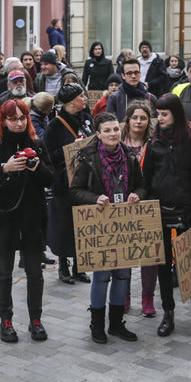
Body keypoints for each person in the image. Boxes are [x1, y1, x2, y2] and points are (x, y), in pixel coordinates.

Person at [71, 112, 146, 344]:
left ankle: (116, 324)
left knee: (123, 275)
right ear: (98, 134)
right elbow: (74, 191)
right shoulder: (87, 158)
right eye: (107, 130)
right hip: (101, 225)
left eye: (115, 129)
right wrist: (95, 199)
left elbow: (143, 186)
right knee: (102, 276)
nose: (112, 134)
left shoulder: (130, 156)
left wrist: (137, 194)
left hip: (124, 224)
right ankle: (97, 324)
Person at [0, 100, 52, 343]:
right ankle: (6, 320)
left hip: (32, 216)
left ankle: (35, 320)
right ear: (4, 121)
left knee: (35, 272)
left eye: (23, 118)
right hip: (4, 217)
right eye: (13, 119)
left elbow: (52, 179)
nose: (19, 122)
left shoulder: (38, 144)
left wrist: (37, 168)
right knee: (4, 271)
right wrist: (6, 169)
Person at [141, 94, 191, 342]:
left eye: (164, 113)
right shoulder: (155, 140)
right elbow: (146, 177)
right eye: (158, 113)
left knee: (190, 265)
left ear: (176, 113)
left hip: (187, 211)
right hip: (159, 210)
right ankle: (167, 313)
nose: (160, 118)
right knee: (163, 265)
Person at [42, 82, 93, 285]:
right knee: (65, 225)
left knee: (83, 223)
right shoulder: (56, 124)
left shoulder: (87, 119)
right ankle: (63, 266)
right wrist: (71, 149)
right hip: (64, 183)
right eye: (82, 96)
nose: (85, 99)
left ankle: (80, 267)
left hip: (86, 182)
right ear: (72, 101)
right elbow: (48, 155)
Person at [119, 102, 155, 317]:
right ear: (128, 120)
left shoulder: (155, 143)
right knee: (124, 252)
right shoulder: (118, 142)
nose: (139, 122)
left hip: (147, 203)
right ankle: (123, 294)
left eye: (143, 118)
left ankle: (148, 298)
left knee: (149, 255)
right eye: (135, 118)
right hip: (122, 203)